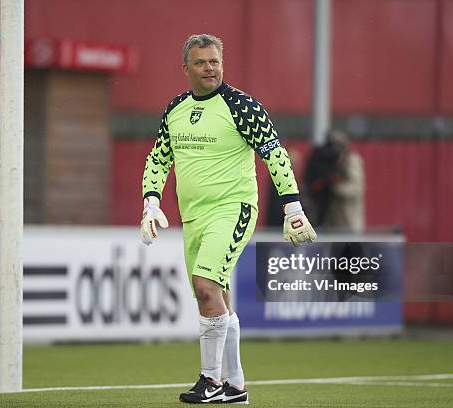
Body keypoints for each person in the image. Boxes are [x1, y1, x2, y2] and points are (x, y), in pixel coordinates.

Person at [140, 34, 316, 404]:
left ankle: (210, 380)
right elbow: (159, 158)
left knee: (205, 286)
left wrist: (293, 207)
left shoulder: (241, 106)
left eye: (215, 61)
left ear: (223, 63)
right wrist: (151, 203)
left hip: (233, 208)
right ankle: (236, 386)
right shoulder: (175, 108)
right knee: (216, 296)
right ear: (185, 68)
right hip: (193, 217)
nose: (210, 68)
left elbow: (275, 154)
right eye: (201, 62)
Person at [303, 130, 365, 233]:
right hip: (332, 222)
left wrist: (335, 187)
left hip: (348, 220)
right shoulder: (330, 161)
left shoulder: (351, 161)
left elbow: (356, 189)